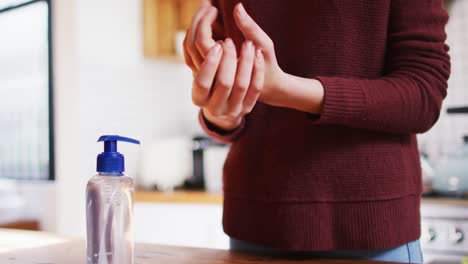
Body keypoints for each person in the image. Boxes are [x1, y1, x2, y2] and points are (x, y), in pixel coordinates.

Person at [183, 1, 450, 263]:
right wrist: (221, 111)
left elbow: (423, 94)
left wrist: (286, 90)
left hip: (370, 234)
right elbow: (232, 107)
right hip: (254, 227)